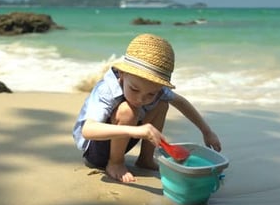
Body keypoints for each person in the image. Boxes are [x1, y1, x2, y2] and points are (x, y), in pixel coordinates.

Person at [73, 33, 221, 182]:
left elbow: (181, 102)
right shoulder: (107, 90)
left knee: (161, 104)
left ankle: (145, 159)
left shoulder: (158, 92)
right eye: (135, 90)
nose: (141, 99)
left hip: (123, 139)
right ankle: (115, 163)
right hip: (95, 153)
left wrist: (207, 131)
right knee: (127, 110)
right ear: (122, 74)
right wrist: (136, 130)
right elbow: (88, 130)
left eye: (150, 94)